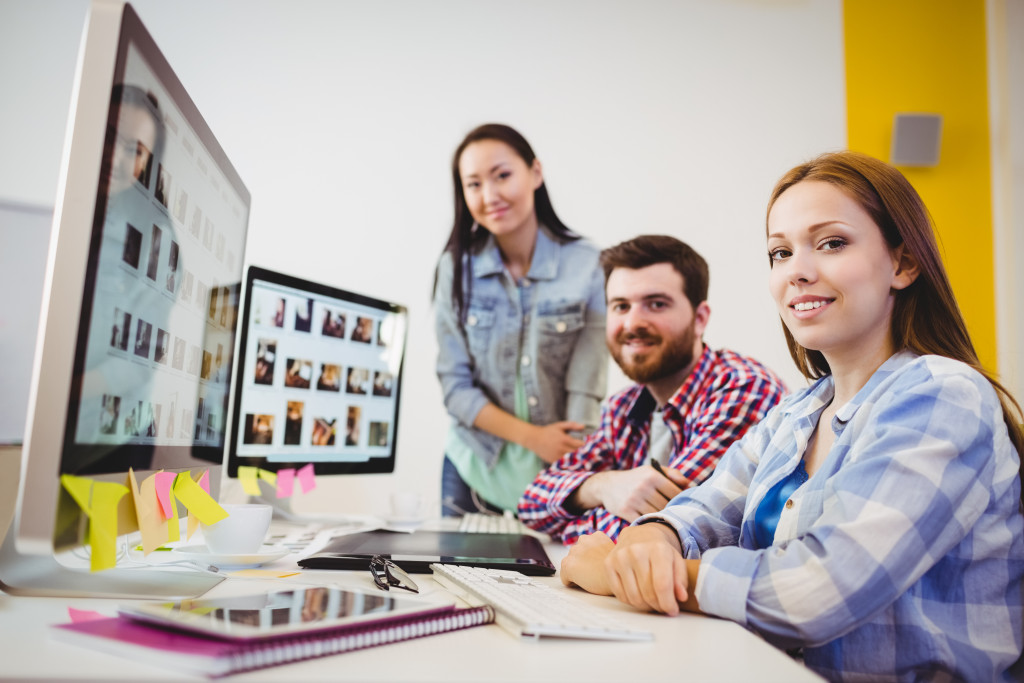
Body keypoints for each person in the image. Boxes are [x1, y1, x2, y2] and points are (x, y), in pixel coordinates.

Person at [560, 151, 1024, 681]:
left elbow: (819, 591)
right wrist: (652, 537)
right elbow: (702, 509)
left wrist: (617, 571)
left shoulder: (944, 395)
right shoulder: (799, 411)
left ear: (902, 263)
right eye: (780, 253)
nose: (797, 272)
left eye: (831, 243)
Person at [518, 235, 786, 544]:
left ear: (700, 320)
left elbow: (656, 530)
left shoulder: (743, 388)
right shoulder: (624, 408)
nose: (632, 323)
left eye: (656, 304)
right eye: (620, 306)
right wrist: (602, 486)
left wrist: (572, 520)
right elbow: (531, 504)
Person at [433, 123, 608, 515]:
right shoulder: (455, 269)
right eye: (473, 184)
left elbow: (587, 383)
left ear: (535, 173)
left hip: (557, 475)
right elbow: (455, 387)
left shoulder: (588, 264)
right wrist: (532, 437)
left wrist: (572, 467)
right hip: (473, 470)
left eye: (502, 175)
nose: (489, 195)